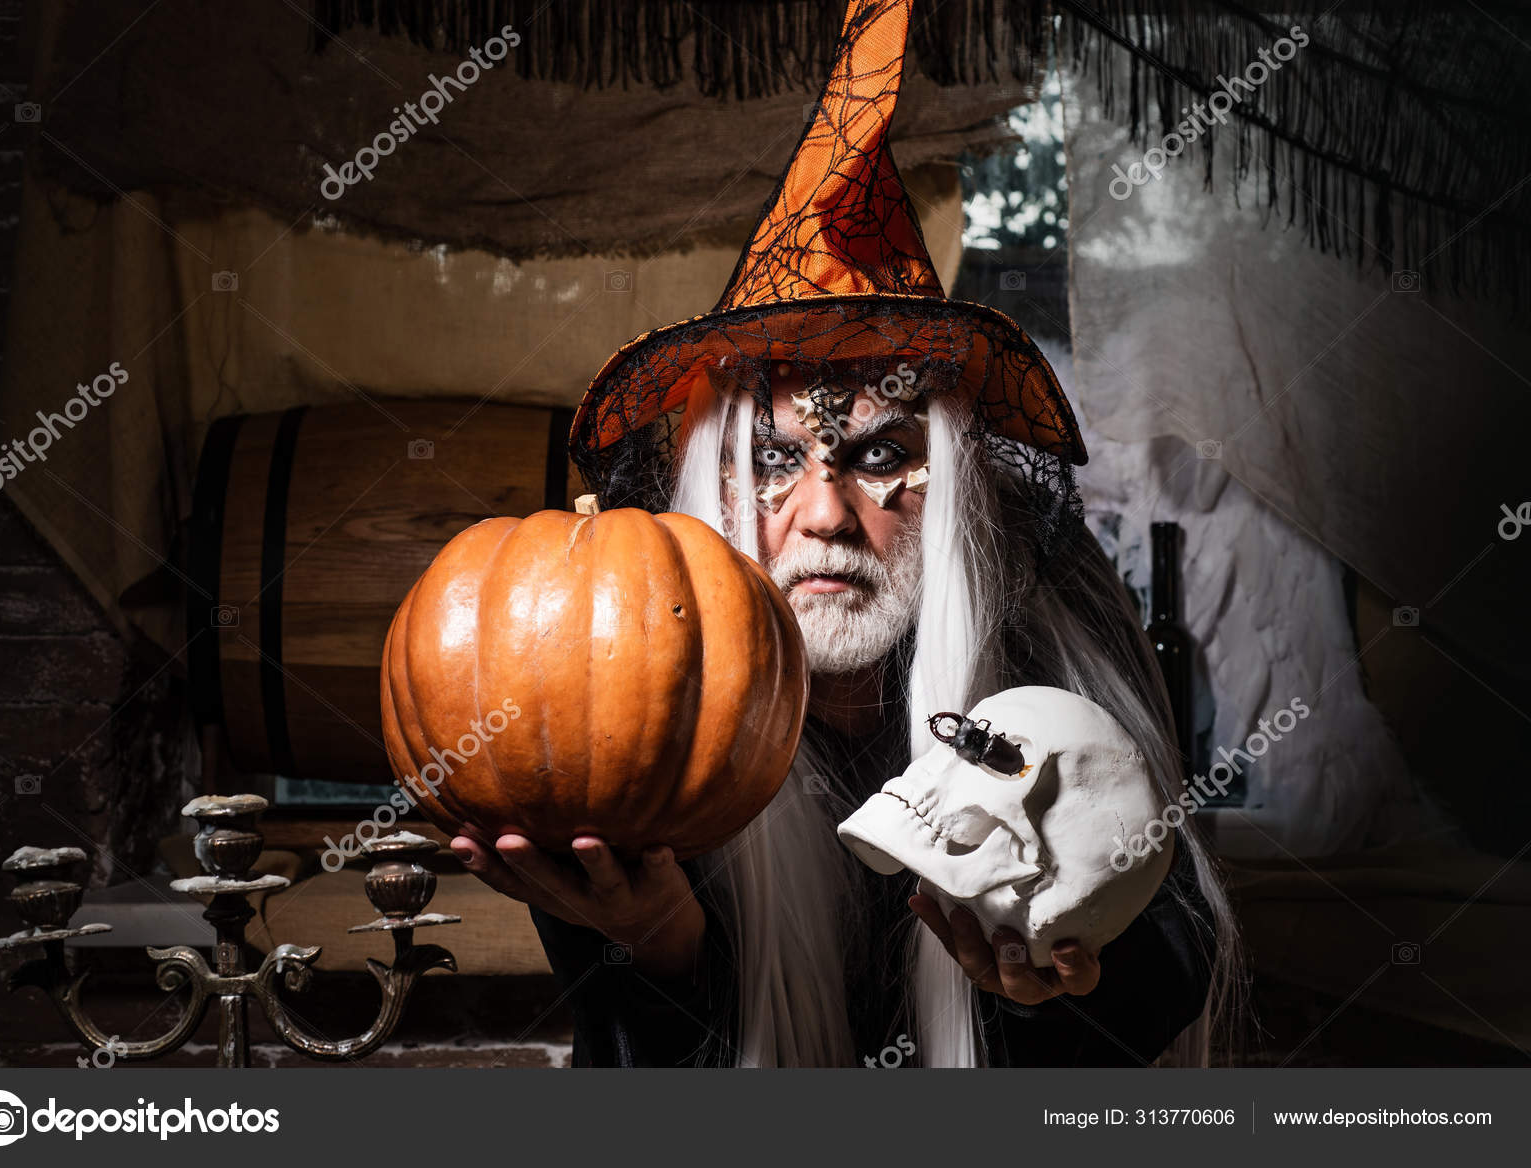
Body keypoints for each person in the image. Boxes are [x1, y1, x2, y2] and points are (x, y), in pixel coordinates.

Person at [449, 0, 1237, 1067]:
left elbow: (1168, 951)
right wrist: (661, 945)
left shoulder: (1054, 625)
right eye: (770, 462)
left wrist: (1061, 981)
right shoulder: (622, 710)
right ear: (709, 489)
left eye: (878, 457)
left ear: (950, 480)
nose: (822, 516)